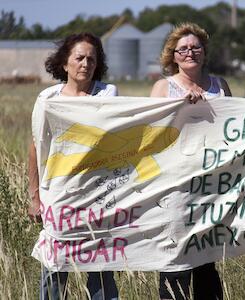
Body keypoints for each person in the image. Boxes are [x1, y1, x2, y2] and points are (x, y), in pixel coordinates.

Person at [28, 32, 119, 300]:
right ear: (65, 63)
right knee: (55, 268)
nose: (85, 64)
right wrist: (34, 196)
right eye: (79, 57)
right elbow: (36, 146)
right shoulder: (48, 98)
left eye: (92, 59)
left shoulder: (108, 93)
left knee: (101, 269)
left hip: (99, 196)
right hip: (59, 196)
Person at [150, 22, 232, 300]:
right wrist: (180, 109)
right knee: (175, 259)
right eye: (182, 49)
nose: (190, 52)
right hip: (175, 188)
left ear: (204, 52)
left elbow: (234, 127)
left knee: (206, 260)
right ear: (173, 55)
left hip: (212, 187)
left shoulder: (220, 85)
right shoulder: (163, 88)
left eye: (195, 47)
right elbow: (151, 134)